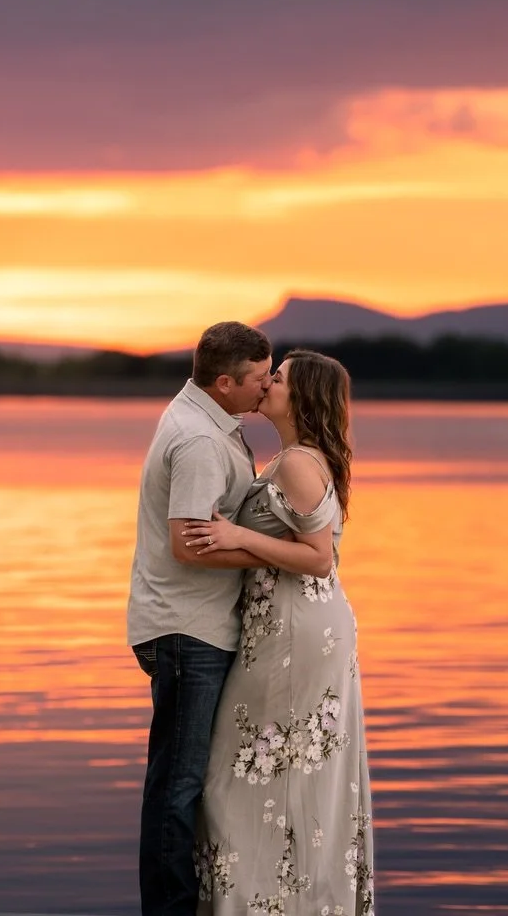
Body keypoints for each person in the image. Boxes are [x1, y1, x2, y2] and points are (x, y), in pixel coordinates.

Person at [181, 349, 375, 914]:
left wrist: (234, 537)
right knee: (265, 774)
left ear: (303, 397)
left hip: (297, 629)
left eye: (280, 379)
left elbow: (318, 559)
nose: (267, 383)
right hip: (284, 626)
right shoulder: (294, 458)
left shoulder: (296, 463)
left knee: (237, 776)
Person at [129, 321, 276, 915]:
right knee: (177, 785)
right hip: (187, 631)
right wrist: (277, 559)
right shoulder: (198, 441)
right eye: (260, 380)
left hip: (194, 625)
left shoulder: (211, 421)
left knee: (184, 781)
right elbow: (189, 545)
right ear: (224, 381)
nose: (267, 389)